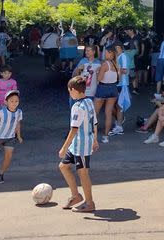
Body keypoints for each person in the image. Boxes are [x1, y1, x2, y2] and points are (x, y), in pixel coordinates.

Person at [58, 76, 98, 213]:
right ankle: (76, 196)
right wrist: (96, 139)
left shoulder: (78, 106)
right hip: (77, 144)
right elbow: (95, 122)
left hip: (81, 145)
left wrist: (63, 147)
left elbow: (74, 129)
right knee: (63, 166)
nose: (69, 93)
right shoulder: (89, 102)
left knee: (83, 173)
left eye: (69, 91)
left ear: (74, 90)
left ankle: (89, 203)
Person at [93, 49, 120, 144]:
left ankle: (93, 135)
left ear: (110, 53)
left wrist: (97, 72)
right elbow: (118, 79)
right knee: (108, 113)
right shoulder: (116, 64)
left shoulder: (105, 64)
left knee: (94, 113)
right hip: (113, 89)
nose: (104, 53)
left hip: (103, 88)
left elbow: (99, 78)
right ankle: (106, 136)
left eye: (106, 52)